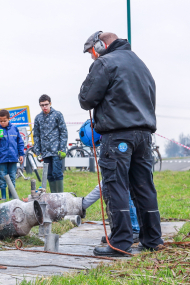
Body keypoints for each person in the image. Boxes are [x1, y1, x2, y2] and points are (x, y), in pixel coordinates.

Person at [79, 31, 162, 256]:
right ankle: (153, 239)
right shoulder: (140, 64)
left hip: (118, 136)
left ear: (101, 45)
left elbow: (86, 100)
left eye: (92, 52)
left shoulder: (105, 63)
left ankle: (120, 243)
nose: (92, 57)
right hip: (144, 135)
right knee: (144, 186)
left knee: (115, 185)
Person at [31, 94, 67, 193]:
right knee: (49, 174)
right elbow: (36, 135)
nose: (44, 107)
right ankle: (53, 196)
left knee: (57, 173)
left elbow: (63, 132)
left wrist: (62, 148)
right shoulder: (38, 118)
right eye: (42, 105)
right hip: (45, 151)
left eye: (46, 104)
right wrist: (37, 151)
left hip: (57, 150)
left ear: (50, 103)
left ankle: (60, 196)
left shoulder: (58, 115)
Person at [0, 110, 24, 200]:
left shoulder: (14, 128)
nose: (3, 123)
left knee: (12, 176)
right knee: (2, 177)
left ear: (9, 119)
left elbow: (20, 142)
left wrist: (21, 154)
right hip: (2, 158)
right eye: (1, 121)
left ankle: (12, 197)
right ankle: (3, 197)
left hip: (13, 158)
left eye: (5, 121)